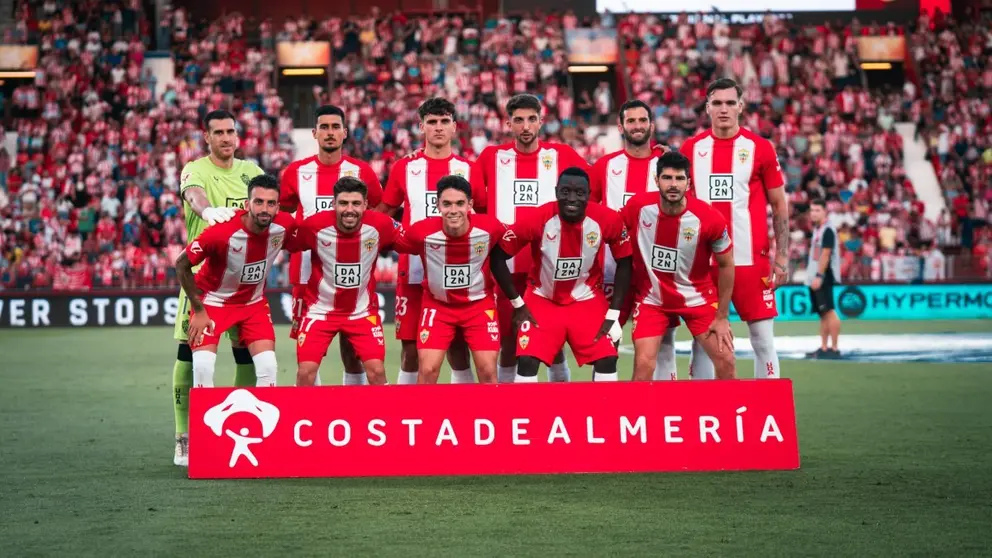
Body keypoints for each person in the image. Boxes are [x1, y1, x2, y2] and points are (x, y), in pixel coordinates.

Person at [671, 77, 789, 381]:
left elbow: (779, 206)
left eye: (729, 103)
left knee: (762, 339)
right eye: (717, 103)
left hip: (751, 262)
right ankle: (706, 411)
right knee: (703, 343)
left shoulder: (760, 148)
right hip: (703, 264)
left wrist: (782, 257)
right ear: (708, 107)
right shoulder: (691, 148)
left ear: (741, 106)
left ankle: (768, 407)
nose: (723, 109)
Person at [173, 174, 295, 466]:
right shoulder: (220, 233)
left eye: (271, 203)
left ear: (278, 206)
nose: (264, 209)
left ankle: (266, 447)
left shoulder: (284, 226)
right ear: (247, 203)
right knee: (203, 367)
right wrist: (198, 309)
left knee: (268, 367)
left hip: (253, 304)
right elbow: (181, 264)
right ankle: (203, 448)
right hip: (213, 303)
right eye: (258, 202)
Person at [471, 93, 590, 384]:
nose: (526, 126)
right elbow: (476, 202)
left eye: (531, 119)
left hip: (549, 265)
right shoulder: (491, 157)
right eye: (519, 120)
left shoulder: (562, 155)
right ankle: (509, 408)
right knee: (509, 342)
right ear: (508, 124)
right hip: (505, 266)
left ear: (541, 122)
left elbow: (593, 188)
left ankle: (558, 398)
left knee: (552, 340)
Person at [171, 109, 265, 467]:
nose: (226, 138)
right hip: (202, 279)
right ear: (206, 137)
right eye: (219, 132)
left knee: (246, 354)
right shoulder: (195, 169)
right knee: (188, 353)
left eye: (231, 132)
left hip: (244, 282)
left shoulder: (251, 172)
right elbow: (193, 195)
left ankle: (242, 428)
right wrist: (209, 212)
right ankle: (184, 437)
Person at [491, 167, 632, 382]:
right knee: (527, 360)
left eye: (579, 193)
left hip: (586, 300)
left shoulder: (607, 220)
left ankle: (603, 414)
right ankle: (527, 414)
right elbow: (497, 258)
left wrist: (613, 315)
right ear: (556, 192)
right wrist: (518, 303)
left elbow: (625, 261)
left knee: (607, 357)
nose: (572, 199)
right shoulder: (537, 218)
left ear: (589, 194)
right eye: (565, 192)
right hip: (542, 298)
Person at [279, 105, 384, 386]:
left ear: (345, 133)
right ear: (314, 133)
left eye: (335, 127)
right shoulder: (295, 173)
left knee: (353, 350)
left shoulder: (361, 171)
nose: (330, 133)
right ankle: (316, 414)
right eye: (324, 127)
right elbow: (285, 210)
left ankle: (353, 410)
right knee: (309, 353)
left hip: (354, 271)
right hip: (307, 275)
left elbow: (377, 211)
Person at [375, 98, 475, 385]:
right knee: (410, 349)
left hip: (459, 272)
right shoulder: (404, 168)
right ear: (422, 127)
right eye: (432, 122)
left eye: (444, 121)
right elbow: (384, 214)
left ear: (455, 127)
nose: (438, 128)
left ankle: (462, 413)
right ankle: (408, 416)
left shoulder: (468, 169)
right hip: (414, 271)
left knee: (458, 347)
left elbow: (482, 217)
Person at [621, 152, 736, 381]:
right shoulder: (638, 207)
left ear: (688, 183)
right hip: (652, 301)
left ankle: (725, 414)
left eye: (679, 179)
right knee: (643, 364)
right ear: (657, 181)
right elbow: (613, 231)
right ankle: (636, 416)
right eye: (667, 178)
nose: (673, 185)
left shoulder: (709, 219)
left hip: (698, 299)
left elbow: (727, 265)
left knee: (726, 361)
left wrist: (722, 316)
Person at [393, 175, 506, 384]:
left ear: (470, 205)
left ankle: (488, 415)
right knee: (427, 370)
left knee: (488, 370)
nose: (453, 210)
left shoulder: (491, 228)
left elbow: (517, 238)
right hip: (438, 306)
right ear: (438, 205)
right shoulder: (421, 232)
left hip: (479, 306)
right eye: (447, 204)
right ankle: (423, 416)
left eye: (459, 203)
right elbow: (391, 238)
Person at [589, 99, 672, 373]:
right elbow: (590, 216)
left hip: (655, 273)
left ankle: (662, 410)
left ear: (651, 124)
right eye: (631, 121)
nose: (637, 126)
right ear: (621, 125)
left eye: (642, 120)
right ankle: (605, 407)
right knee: (605, 342)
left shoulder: (667, 166)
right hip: (614, 272)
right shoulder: (604, 167)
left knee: (663, 345)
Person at [288, 176, 395, 386]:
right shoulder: (313, 226)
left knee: (376, 370)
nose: (349, 209)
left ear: (365, 205)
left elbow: (414, 241)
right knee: (305, 372)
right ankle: (303, 416)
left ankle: (380, 416)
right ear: (333, 203)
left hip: (361, 311)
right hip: (321, 311)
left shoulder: (381, 225)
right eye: (343, 203)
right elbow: (285, 242)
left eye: (356, 203)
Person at [805, 199, 842, 359]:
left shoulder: (827, 230)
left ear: (825, 211)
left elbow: (826, 254)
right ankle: (824, 347)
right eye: (812, 210)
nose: (813, 213)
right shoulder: (819, 229)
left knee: (829, 311)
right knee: (823, 313)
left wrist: (819, 276)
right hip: (817, 275)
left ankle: (833, 348)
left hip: (824, 275)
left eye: (817, 210)